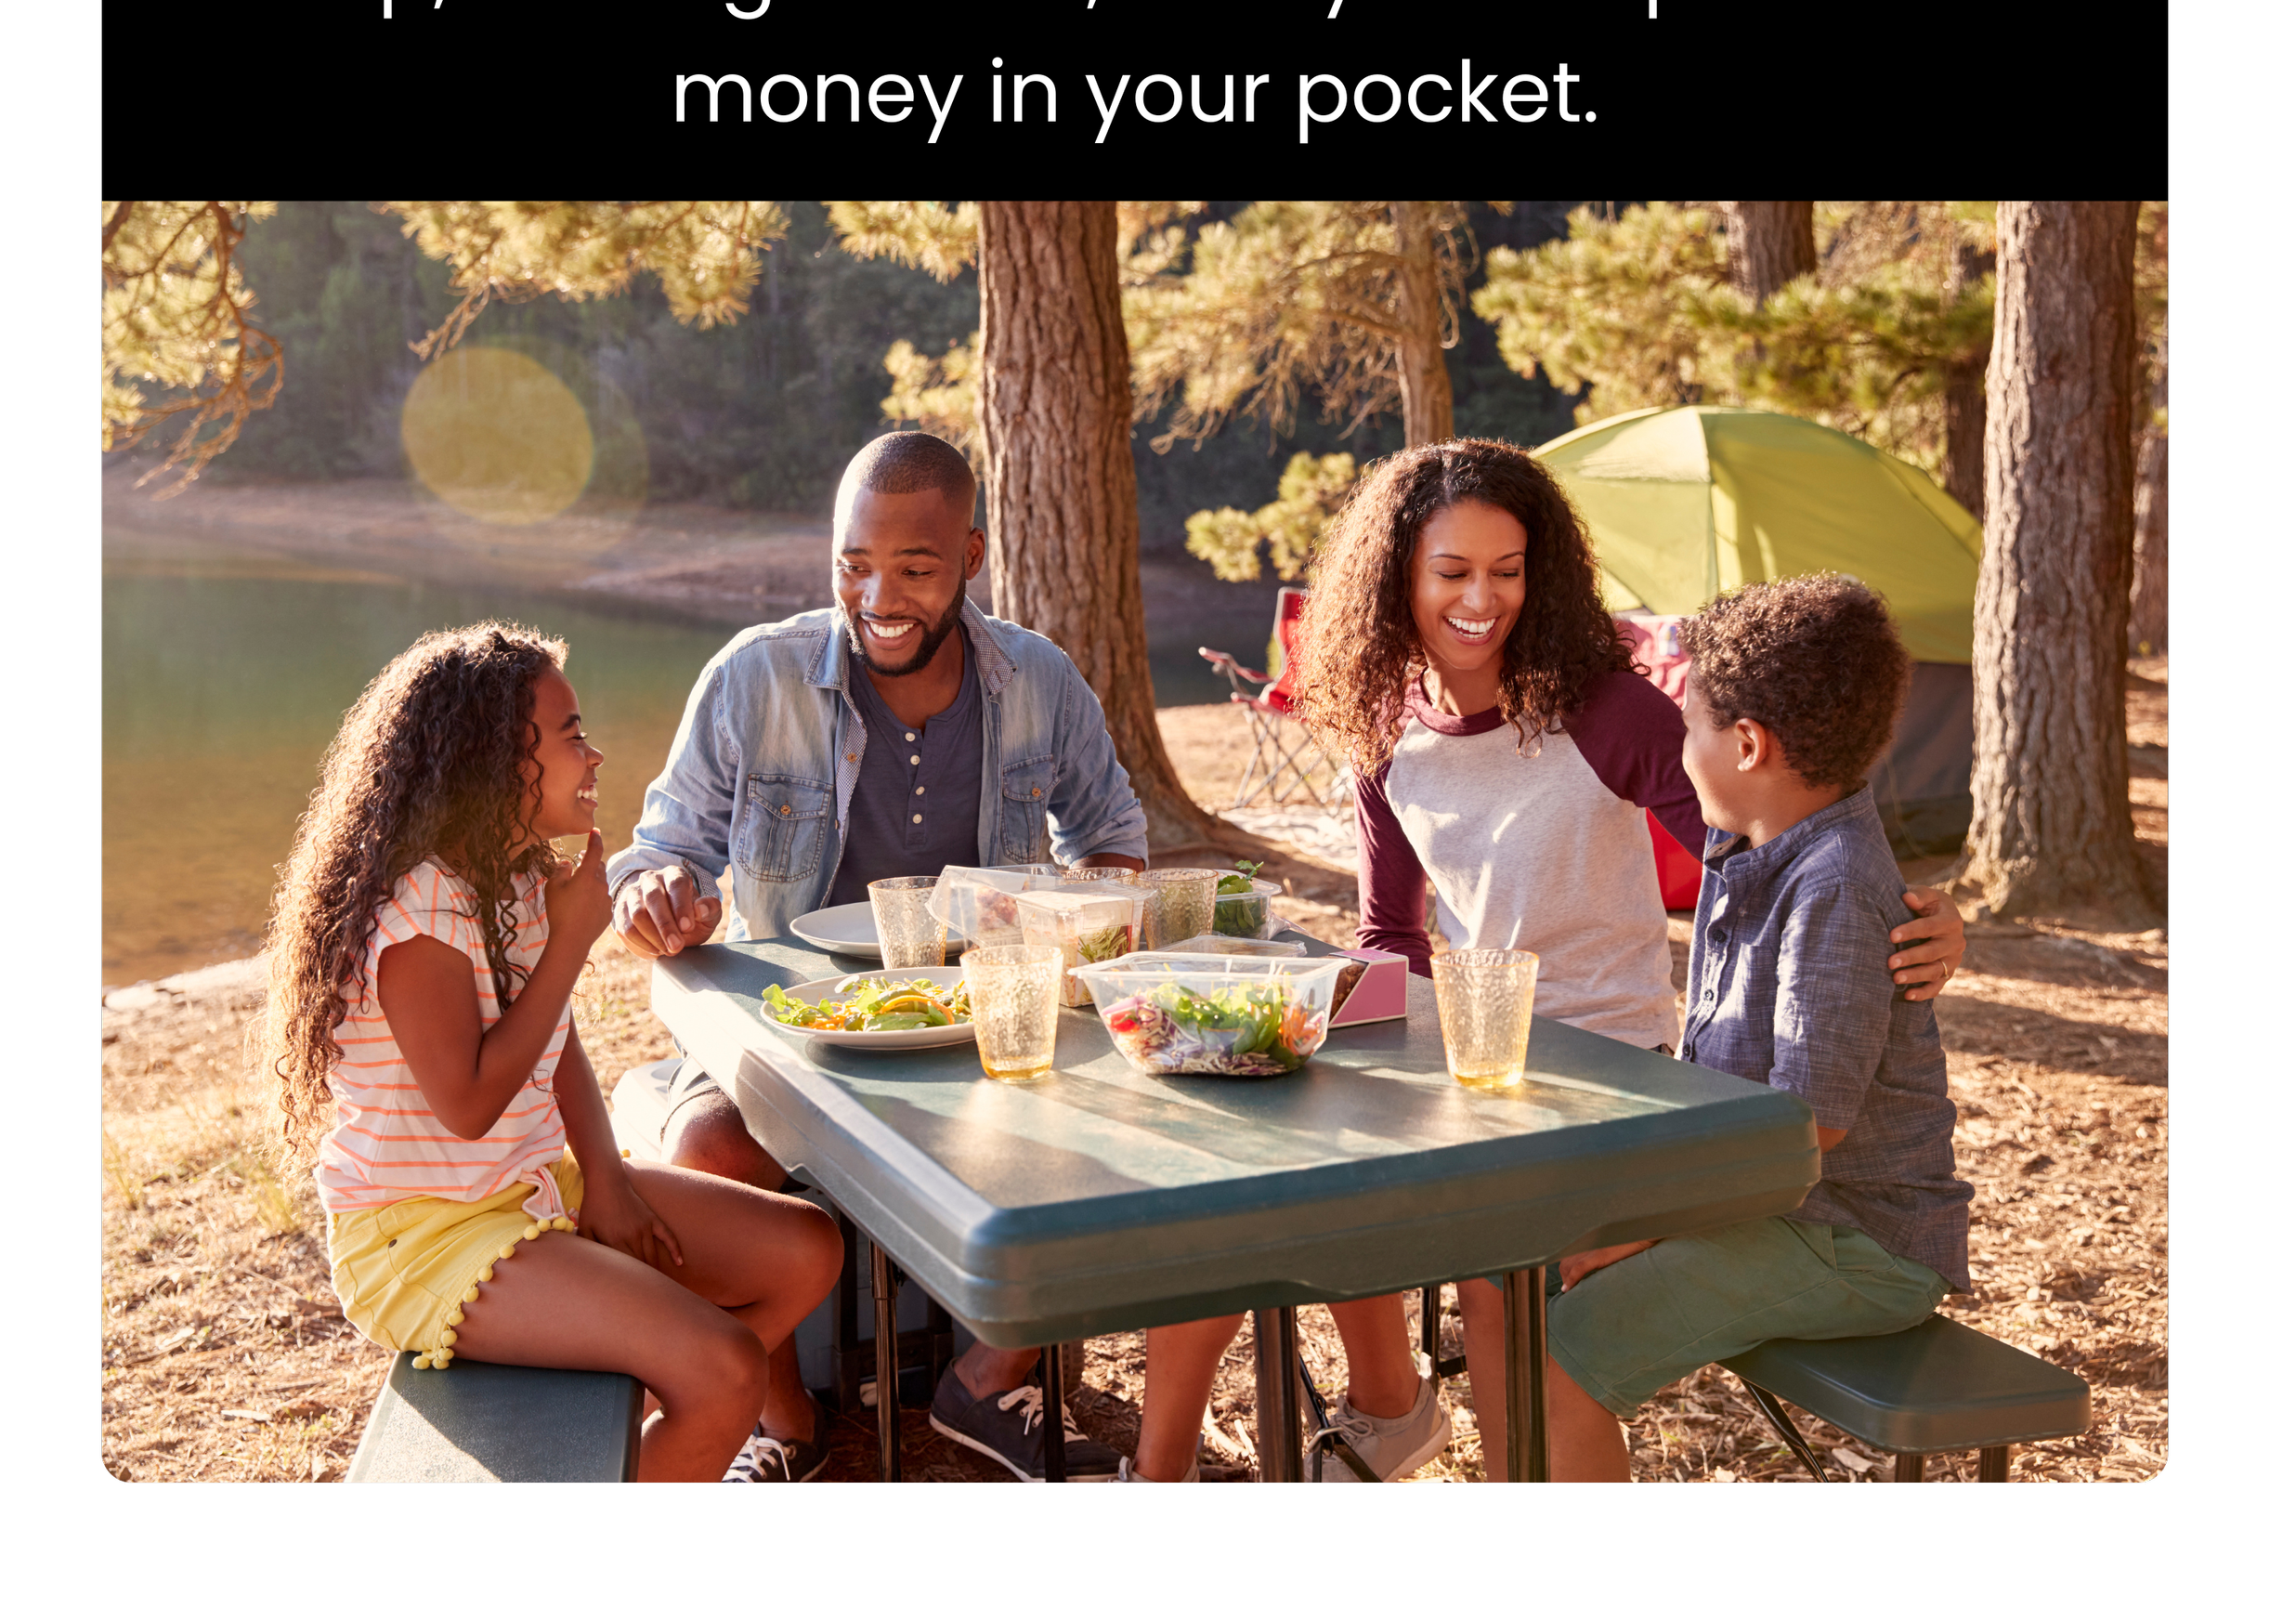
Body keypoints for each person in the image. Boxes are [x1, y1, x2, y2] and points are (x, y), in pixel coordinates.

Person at [1123, 440, 1966, 1484]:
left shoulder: (1607, 711)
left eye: (1508, 569)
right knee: (1280, 1186)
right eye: (1453, 571)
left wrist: (1923, 919)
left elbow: (1772, 831)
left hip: (1611, 1069)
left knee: (1502, 1287)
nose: (1483, 598)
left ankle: (1497, 1449)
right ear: (1396, 579)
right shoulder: (1384, 731)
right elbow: (1394, 936)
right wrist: (1308, 1012)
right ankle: (1367, 1416)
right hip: (1476, 1059)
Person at [607, 432, 1146, 1483]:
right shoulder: (754, 675)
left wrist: (1068, 912)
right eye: (854, 565)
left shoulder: (1038, 679)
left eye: (915, 568)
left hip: (986, 1027)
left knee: (1139, 1124)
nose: (878, 597)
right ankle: (781, 1421)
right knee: (712, 1149)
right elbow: (662, 848)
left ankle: (986, 1379)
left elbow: (1112, 838)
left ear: (973, 556)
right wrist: (654, 894)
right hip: (791, 1032)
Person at [262, 621, 841, 1484]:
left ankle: (644, 1426)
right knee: (726, 1369)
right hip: (426, 1235)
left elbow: (552, 1042)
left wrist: (603, 1177)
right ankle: (689, 1410)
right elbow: (468, 1104)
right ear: (496, 760)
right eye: (571, 735)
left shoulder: (515, 874)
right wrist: (572, 939)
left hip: (533, 1186)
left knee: (806, 1250)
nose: (595, 755)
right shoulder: (419, 910)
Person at [1540, 573, 1976, 1479]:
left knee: (1564, 1354)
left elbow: (1808, 1124)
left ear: (1746, 744)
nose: (1679, 746)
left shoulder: (1833, 885)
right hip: (1783, 1209)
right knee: (1540, 1264)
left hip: (1853, 1241)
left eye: (1687, 725)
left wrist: (1647, 1227)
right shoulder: (1751, 845)